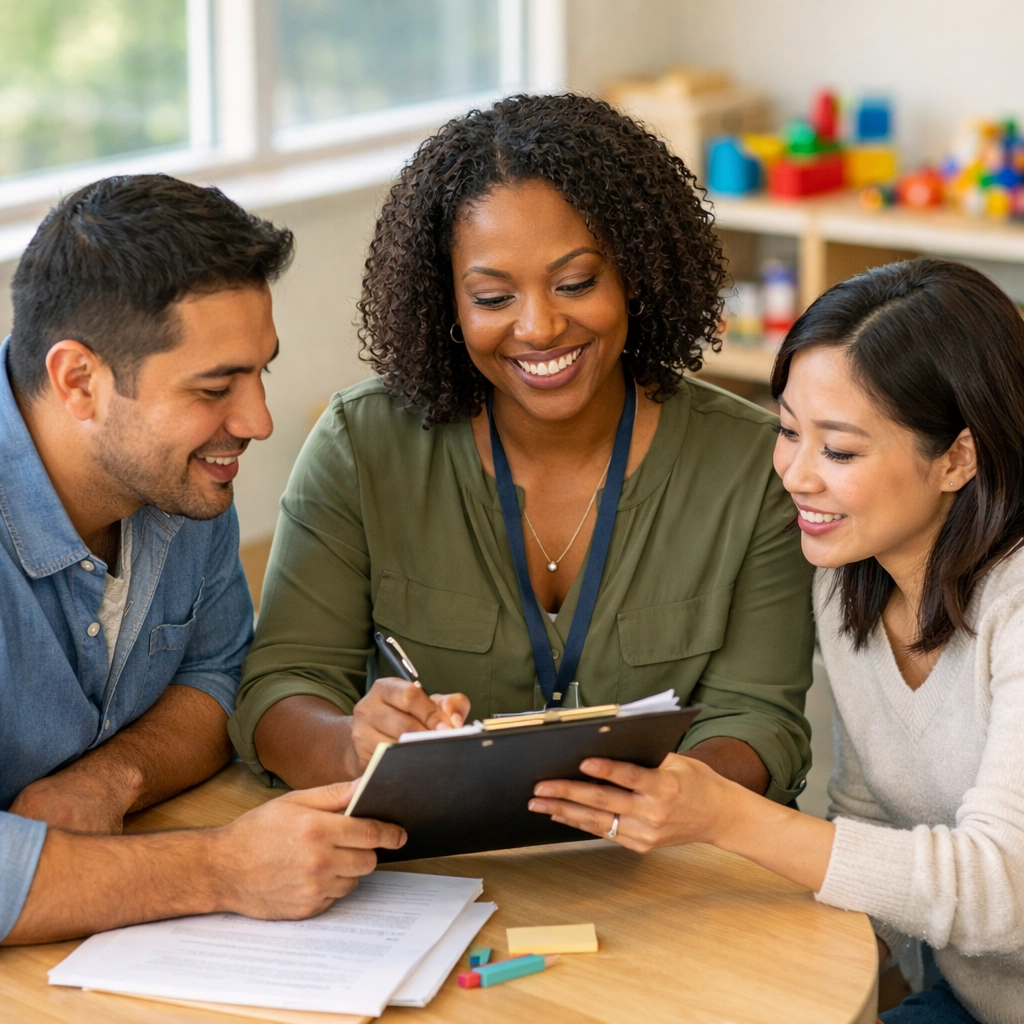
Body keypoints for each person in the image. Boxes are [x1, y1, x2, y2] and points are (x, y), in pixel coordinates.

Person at [231, 93, 815, 805]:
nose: (538, 327)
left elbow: (759, 718)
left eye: (576, 283)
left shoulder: (754, 465)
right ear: (445, 301)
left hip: (665, 856)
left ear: (635, 272)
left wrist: (672, 797)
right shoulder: (362, 445)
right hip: (428, 857)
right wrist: (350, 745)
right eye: (492, 297)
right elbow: (280, 688)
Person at [530, 257, 1024, 1024]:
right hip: (971, 999)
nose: (794, 475)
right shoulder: (849, 576)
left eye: (840, 451)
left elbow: (1003, 892)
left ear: (958, 457)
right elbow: (870, 816)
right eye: (788, 430)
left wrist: (729, 817)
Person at [0, 175, 405, 947]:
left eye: (260, 372)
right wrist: (221, 868)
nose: (257, 421)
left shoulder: (176, 480)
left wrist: (110, 777)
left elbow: (216, 674)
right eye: (216, 388)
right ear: (78, 381)